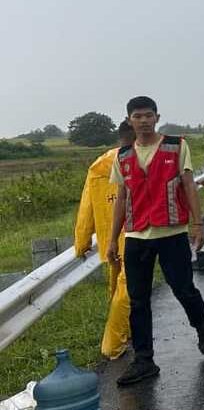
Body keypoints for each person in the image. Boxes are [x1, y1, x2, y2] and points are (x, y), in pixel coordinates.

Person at [109, 96, 204, 386]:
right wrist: (111, 240)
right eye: (137, 116)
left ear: (157, 117)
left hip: (171, 234)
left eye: (148, 115)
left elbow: (188, 185)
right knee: (138, 300)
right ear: (129, 120)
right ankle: (144, 360)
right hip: (136, 237)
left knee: (184, 289)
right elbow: (121, 199)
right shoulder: (122, 156)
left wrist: (197, 223)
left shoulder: (176, 146)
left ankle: (202, 326)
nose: (143, 121)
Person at [73, 120, 136, 359]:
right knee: (127, 289)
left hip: (109, 236)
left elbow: (86, 206)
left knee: (117, 288)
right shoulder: (137, 159)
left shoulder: (98, 165)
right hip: (133, 234)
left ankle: (127, 332)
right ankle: (113, 344)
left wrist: (82, 241)